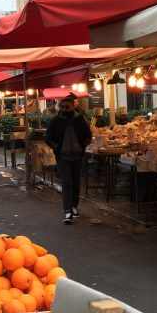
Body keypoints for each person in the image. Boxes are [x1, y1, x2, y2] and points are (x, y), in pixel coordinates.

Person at [45, 94, 92, 224]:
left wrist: (82, 145)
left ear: (73, 106)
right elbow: (48, 137)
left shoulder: (80, 119)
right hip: (62, 157)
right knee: (66, 183)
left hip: (77, 156)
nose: (65, 109)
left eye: (68, 106)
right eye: (63, 106)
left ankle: (74, 206)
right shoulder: (55, 121)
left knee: (75, 182)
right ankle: (67, 210)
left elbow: (88, 135)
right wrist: (57, 147)